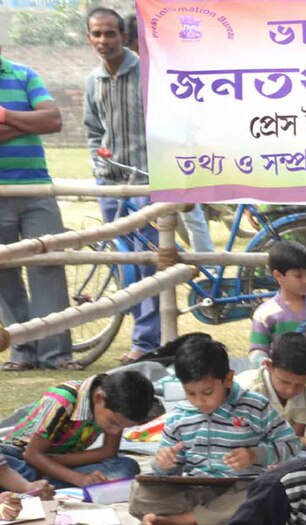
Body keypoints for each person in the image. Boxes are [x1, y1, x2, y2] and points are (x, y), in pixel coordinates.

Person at [132, 335, 297, 525]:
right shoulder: (179, 417)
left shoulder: (255, 407)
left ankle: (179, 521)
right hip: (196, 490)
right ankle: (204, 517)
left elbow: (292, 446)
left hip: (239, 488)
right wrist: (163, 464)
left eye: (208, 392)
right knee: (139, 493)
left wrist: (256, 455)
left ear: (227, 379)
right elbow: (164, 473)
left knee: (267, 494)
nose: (200, 401)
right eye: (190, 393)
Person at [83, 7, 155, 362]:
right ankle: (141, 335)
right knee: (122, 260)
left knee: (147, 262)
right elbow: (92, 128)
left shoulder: (147, 72)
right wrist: (99, 161)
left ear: (124, 37)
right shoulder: (92, 81)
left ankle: (147, 341)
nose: (103, 41)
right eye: (97, 34)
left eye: (110, 34)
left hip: (145, 180)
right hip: (110, 183)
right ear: (89, 38)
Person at [0, 43, 70, 371]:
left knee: (48, 265)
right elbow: (40, 120)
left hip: (37, 189)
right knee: (4, 273)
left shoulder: (23, 75)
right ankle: (22, 353)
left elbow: (53, 120)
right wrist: (28, 122)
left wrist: (5, 116)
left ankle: (56, 355)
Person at [0, 369, 151, 488]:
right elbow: (31, 454)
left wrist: (51, 462)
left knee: (126, 467)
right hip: (21, 456)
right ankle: (35, 482)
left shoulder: (116, 405)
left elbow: (108, 452)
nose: (115, 431)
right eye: (114, 423)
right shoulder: (62, 401)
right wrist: (78, 478)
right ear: (99, 398)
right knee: (17, 468)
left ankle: (44, 482)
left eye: (123, 427)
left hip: (55, 461)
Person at [237, 331, 306, 444]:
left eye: (299, 384)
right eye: (284, 382)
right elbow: (244, 444)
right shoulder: (249, 390)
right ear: (268, 366)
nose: (291, 390)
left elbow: (293, 441)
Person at [249, 242, 306, 355]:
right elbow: (257, 350)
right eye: (298, 276)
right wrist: (265, 364)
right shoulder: (264, 314)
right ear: (278, 275)